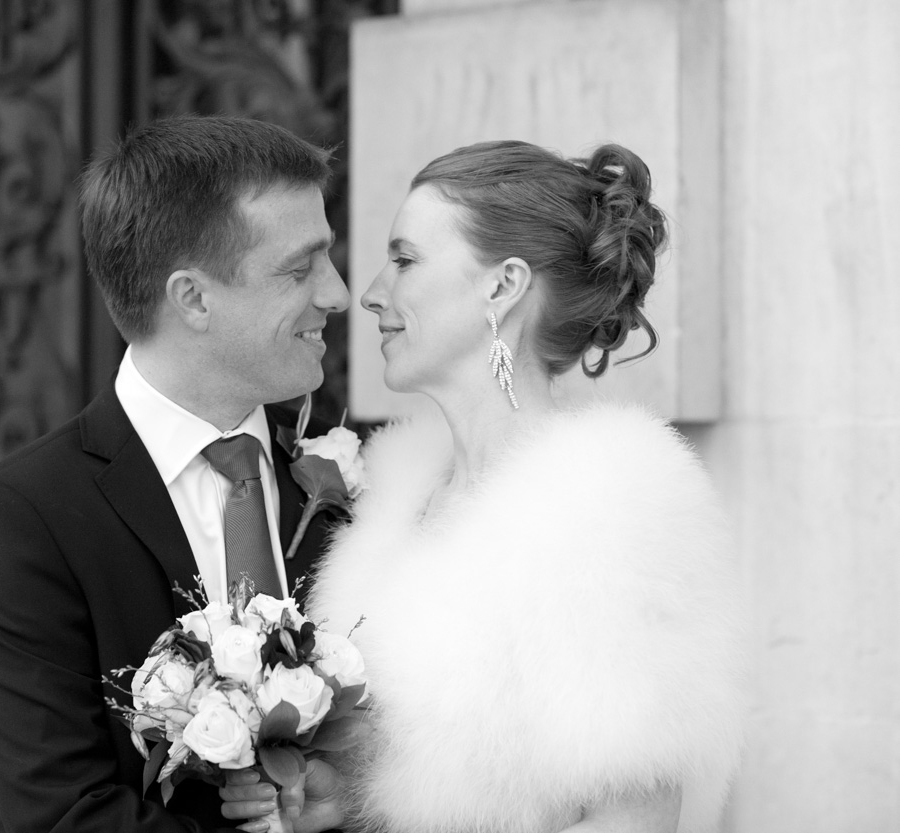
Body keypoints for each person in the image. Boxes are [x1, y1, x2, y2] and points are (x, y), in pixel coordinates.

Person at [220, 140, 748, 832]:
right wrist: (343, 798)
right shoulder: (392, 494)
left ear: (503, 287)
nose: (371, 293)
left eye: (405, 260)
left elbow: (635, 813)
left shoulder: (610, 504)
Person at [0, 115, 351, 833]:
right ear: (192, 298)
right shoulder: (23, 518)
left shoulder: (353, 471)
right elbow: (67, 813)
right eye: (300, 268)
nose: (338, 293)